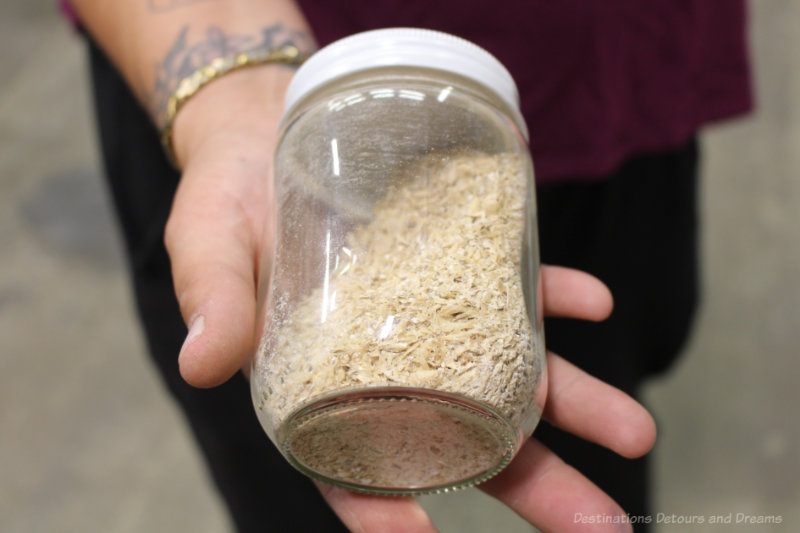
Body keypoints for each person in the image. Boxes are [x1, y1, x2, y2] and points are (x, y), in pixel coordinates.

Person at [65, 0, 752, 531]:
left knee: (604, 428)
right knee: (288, 504)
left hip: (609, 75)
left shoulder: (497, 142)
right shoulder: (307, 140)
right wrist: (234, 98)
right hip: (221, 62)